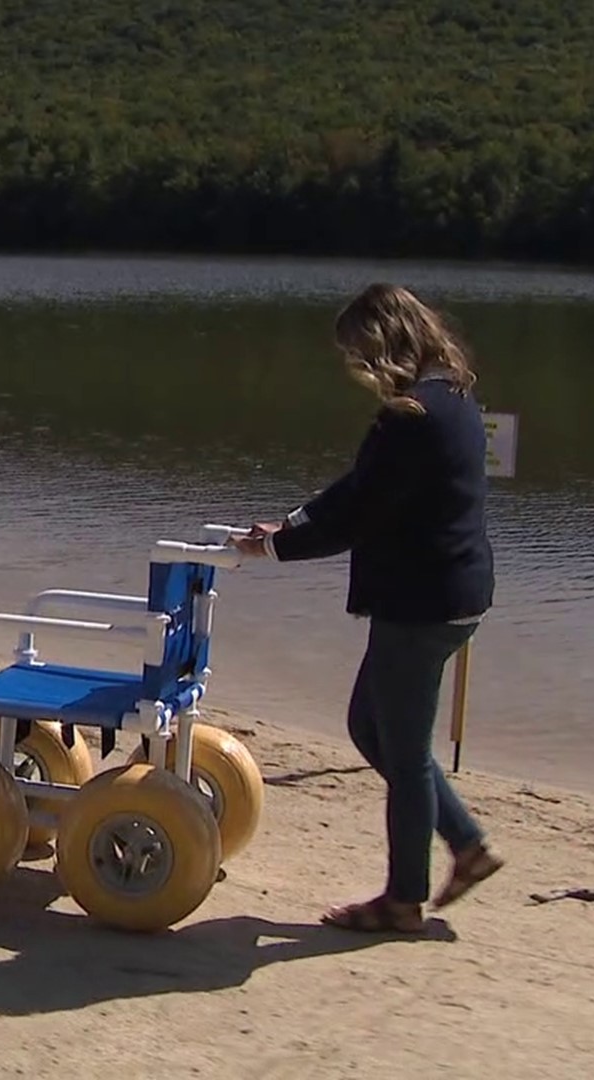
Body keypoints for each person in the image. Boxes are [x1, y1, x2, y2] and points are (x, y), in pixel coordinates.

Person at [231, 283, 504, 934]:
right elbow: (359, 488)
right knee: (371, 728)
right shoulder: (456, 397)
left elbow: (358, 518)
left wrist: (273, 552)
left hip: (422, 604)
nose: (354, 367)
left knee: (404, 755)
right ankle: (466, 843)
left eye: (357, 352)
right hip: (453, 595)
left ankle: (403, 901)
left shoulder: (409, 416)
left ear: (382, 344)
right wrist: (292, 521)